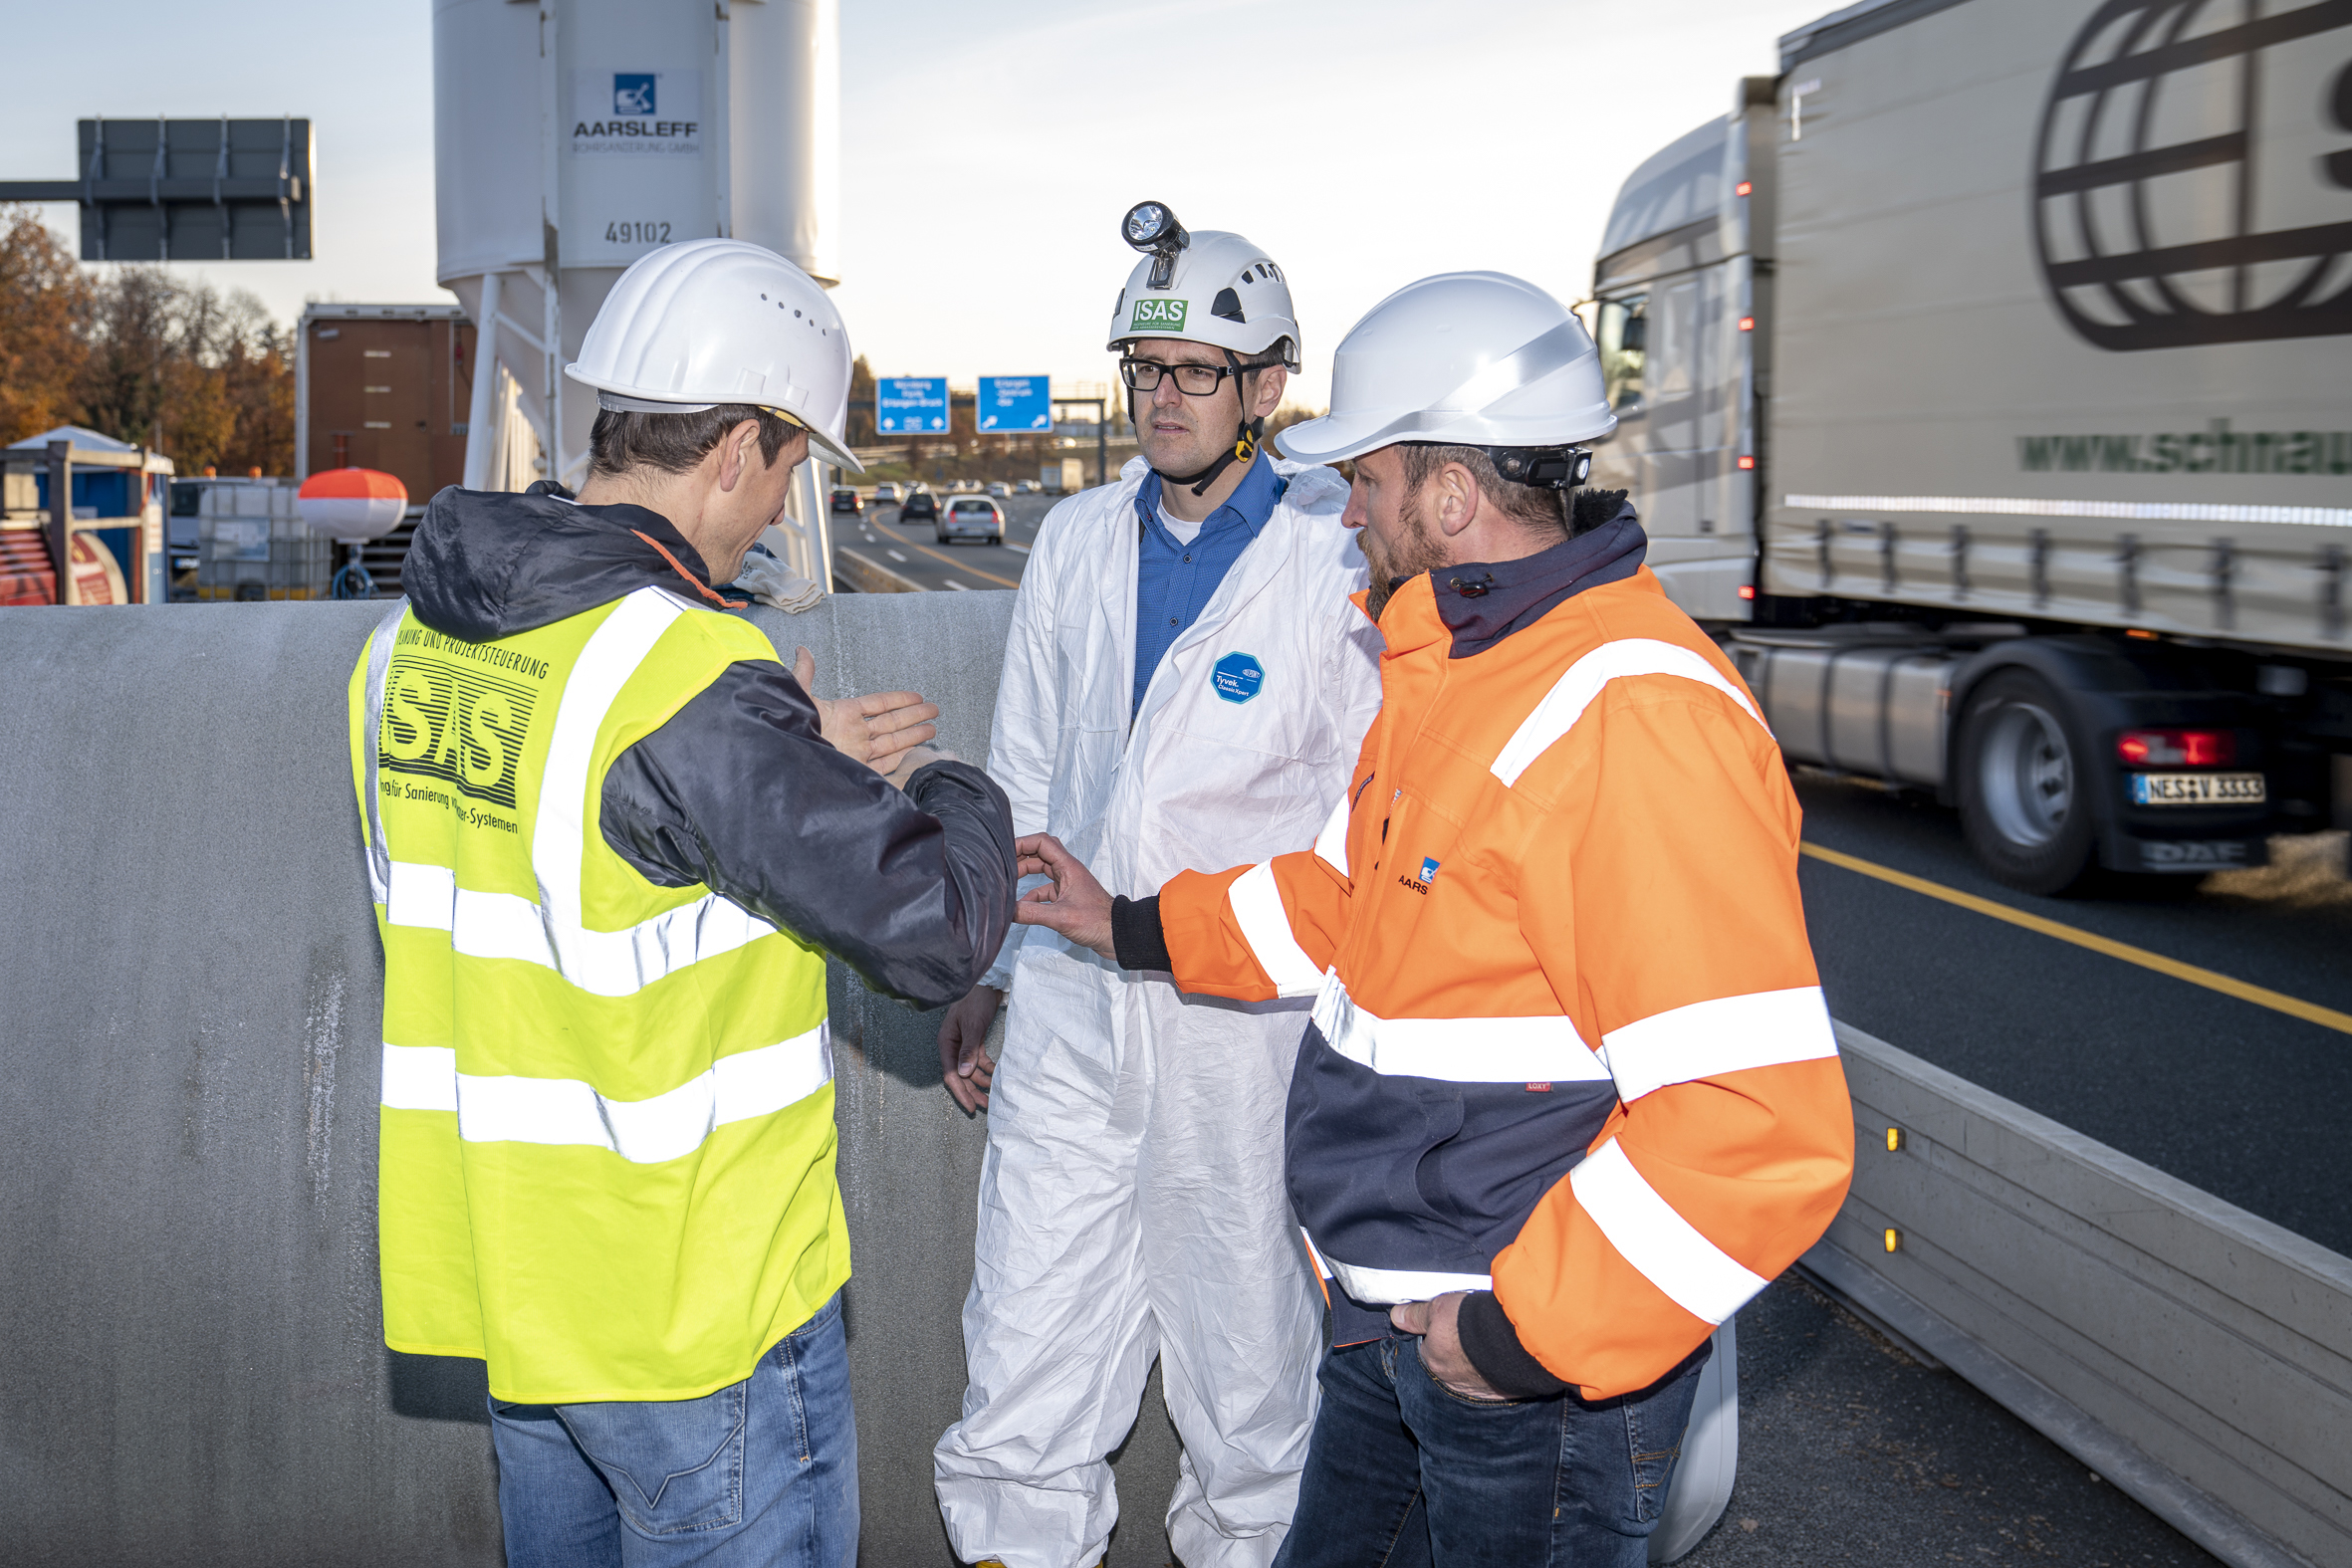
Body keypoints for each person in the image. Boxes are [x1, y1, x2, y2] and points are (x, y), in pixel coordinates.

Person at [1012, 271, 1855, 1566]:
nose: (1344, 509)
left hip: (1520, 1369)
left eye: (1368, 478)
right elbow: (1349, 913)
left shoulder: (1632, 717)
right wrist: (1124, 924)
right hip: (1392, 1314)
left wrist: (1520, 1336)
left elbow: (1751, 1122)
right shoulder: (1452, 672)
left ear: (1450, 497)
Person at [348, 238, 1019, 1568]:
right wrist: (951, 788)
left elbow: (581, 831)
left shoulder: (404, 645)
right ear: (735, 447)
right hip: (691, 1298)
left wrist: (780, 754)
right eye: (784, 470)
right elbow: (936, 928)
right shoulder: (690, 669)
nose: (776, 509)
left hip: (518, 1285)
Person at [930, 206, 1383, 1568]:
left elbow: (1359, 827)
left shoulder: (1336, 559)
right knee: (1023, 1360)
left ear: (1265, 389)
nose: (1162, 397)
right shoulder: (1073, 540)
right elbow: (1021, 775)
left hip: (1237, 1033)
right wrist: (986, 977)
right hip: (1069, 1009)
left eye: (1195, 372)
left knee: (1250, 1389)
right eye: (1145, 367)